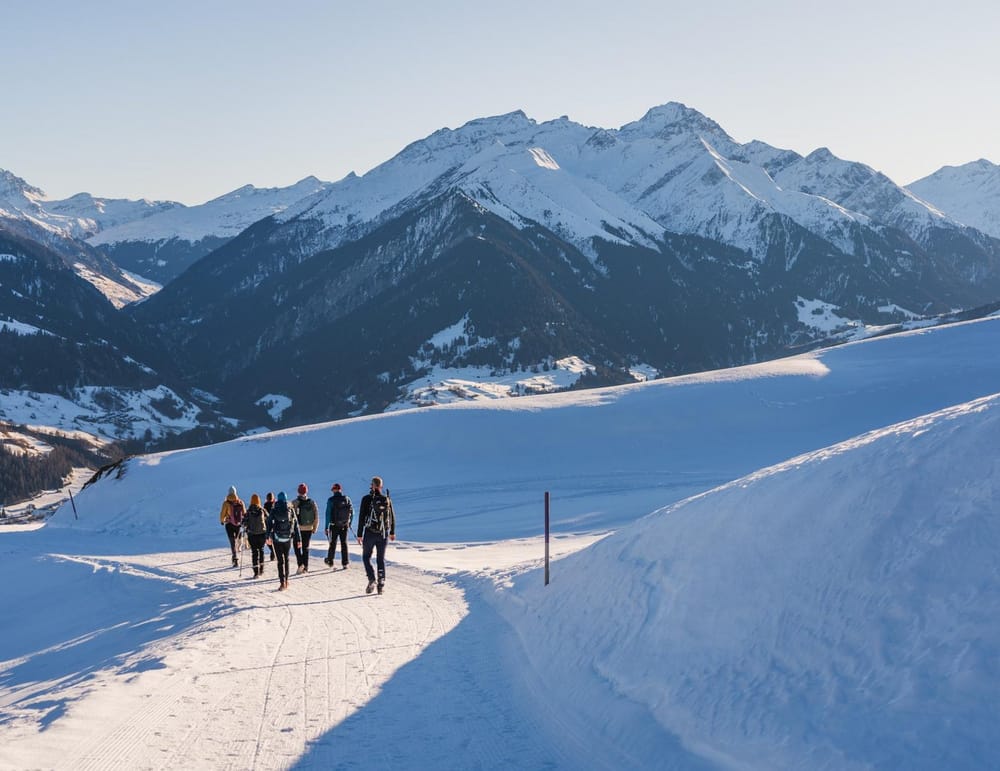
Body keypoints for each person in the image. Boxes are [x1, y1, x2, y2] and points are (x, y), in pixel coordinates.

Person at [357, 476, 395, 594]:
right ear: (381, 486)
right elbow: (392, 517)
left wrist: (359, 534)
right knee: (380, 559)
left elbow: (361, 517)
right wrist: (392, 532)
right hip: (383, 533)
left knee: (366, 557)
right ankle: (381, 583)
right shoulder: (386, 499)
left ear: (372, 486)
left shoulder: (366, 499)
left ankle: (372, 578)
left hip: (370, 533)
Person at [266, 491, 300, 591]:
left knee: (280, 561)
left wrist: (268, 536)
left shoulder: (274, 509)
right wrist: (299, 539)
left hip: (277, 538)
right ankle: (287, 580)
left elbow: (268, 523)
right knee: (287, 559)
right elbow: (296, 525)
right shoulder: (290, 509)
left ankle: (282, 582)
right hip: (287, 538)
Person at [324, 483, 354, 569]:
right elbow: (352, 513)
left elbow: (328, 514)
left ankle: (330, 561)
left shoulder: (331, 500)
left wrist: (326, 527)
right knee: (344, 543)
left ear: (334, 490)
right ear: (340, 490)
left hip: (334, 525)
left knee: (333, 543)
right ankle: (345, 563)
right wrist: (349, 523)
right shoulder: (347, 499)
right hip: (344, 525)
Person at [291, 483, 319, 574]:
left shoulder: (294, 503)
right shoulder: (312, 502)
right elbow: (316, 516)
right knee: (306, 548)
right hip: (309, 528)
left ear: (298, 491)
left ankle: (300, 565)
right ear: (306, 491)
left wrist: (291, 530)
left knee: (297, 547)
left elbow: (291, 517)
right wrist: (314, 528)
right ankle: (306, 567)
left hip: (298, 529)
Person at [219, 485, 245, 567]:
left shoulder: (226, 503)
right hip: (238, 524)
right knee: (236, 539)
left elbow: (222, 513)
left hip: (229, 524)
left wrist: (222, 521)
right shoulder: (240, 502)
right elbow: (244, 513)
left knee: (232, 542)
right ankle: (237, 548)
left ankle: (235, 558)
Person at [244, 493, 269, 578]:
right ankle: (261, 569)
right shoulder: (262, 510)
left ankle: (256, 572)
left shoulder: (248, 511)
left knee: (254, 552)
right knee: (261, 550)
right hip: (262, 534)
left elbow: (244, 522)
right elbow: (268, 519)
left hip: (252, 534)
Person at [263, 492, 277, 561]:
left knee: (268, 540)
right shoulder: (275, 505)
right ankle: (273, 553)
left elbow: (264, 516)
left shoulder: (265, 505)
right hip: (275, 525)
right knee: (273, 539)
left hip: (267, 525)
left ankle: (272, 552)